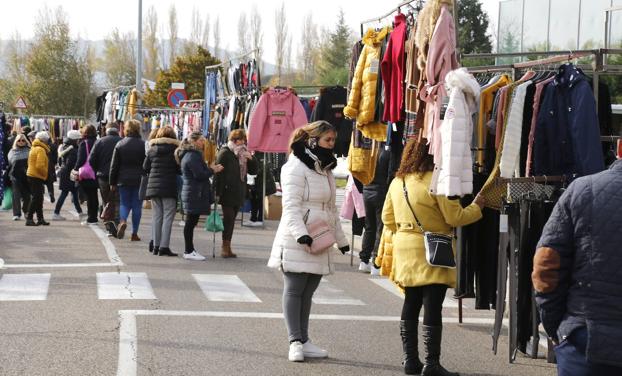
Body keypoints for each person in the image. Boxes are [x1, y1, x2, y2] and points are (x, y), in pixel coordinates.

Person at [381, 140, 484, 376]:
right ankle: (432, 362)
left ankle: (410, 360)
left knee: (411, 301)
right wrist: (478, 207)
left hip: (405, 247)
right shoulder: (438, 182)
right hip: (434, 247)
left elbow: (387, 218)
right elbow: (455, 216)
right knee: (432, 304)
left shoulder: (398, 181)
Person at [268, 121, 350, 362]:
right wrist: (300, 233)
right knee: (294, 288)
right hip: (299, 237)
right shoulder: (295, 166)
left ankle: (304, 339)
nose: (332, 145)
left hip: (321, 235)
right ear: (313, 140)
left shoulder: (325, 169)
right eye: (328, 141)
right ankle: (294, 341)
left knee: (309, 290)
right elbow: (291, 206)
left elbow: (330, 209)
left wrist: (341, 239)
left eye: (333, 141)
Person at [532, 158, 622, 376]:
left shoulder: (582, 189)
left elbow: (546, 265)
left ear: (619, 148)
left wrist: (557, 329)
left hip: (584, 339)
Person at [176, 132, 223, 260]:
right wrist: (213, 170)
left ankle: (190, 249)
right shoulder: (192, 156)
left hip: (193, 191)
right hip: (194, 192)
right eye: (201, 140)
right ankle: (189, 250)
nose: (204, 143)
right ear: (194, 141)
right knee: (190, 222)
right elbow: (199, 174)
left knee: (191, 222)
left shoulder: (191, 155)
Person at [215, 129, 258, 258]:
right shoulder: (225, 152)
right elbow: (219, 174)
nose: (243, 142)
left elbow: (253, 172)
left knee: (232, 220)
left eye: (244, 140)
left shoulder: (244, 153)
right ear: (234, 140)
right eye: (241, 140)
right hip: (227, 191)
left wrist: (252, 159)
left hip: (239, 190)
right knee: (228, 218)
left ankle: (228, 246)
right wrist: (217, 192)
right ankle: (224, 247)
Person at [143, 126, 180, 257]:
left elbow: (145, 167)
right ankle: (164, 247)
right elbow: (179, 170)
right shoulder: (176, 151)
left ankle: (156, 246)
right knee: (168, 217)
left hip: (153, 187)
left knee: (157, 216)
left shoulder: (152, 150)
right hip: (169, 186)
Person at [109, 119, 146, 241]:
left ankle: (123, 221)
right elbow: (146, 164)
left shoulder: (120, 144)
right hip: (138, 179)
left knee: (124, 203)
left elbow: (114, 166)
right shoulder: (143, 144)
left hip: (123, 179)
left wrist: (112, 182)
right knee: (137, 206)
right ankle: (134, 233)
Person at [359, 148, 391, 274]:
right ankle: (375, 262)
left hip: (367, 190)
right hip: (381, 190)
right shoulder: (387, 151)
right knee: (380, 228)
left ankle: (364, 260)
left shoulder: (368, 149)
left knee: (369, 227)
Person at [89, 123, 122, 235]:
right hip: (118, 177)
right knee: (117, 200)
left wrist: (97, 169)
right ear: (117, 130)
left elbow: (91, 159)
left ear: (106, 130)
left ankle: (108, 225)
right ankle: (117, 223)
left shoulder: (100, 142)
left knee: (105, 200)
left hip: (102, 176)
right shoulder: (121, 141)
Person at [52, 130, 83, 220]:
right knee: (66, 193)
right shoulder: (73, 150)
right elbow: (71, 163)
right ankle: (56, 213)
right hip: (69, 173)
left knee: (73, 193)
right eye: (78, 139)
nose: (79, 141)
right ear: (74, 139)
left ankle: (80, 213)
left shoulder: (64, 146)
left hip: (65, 172)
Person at [74, 124, 99, 225]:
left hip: (87, 173)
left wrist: (75, 169)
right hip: (96, 172)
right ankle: (94, 217)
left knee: (89, 195)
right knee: (94, 195)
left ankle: (91, 218)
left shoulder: (84, 143)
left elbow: (81, 159)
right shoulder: (98, 142)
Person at [25, 131, 52, 226]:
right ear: (44, 140)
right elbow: (40, 165)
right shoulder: (40, 149)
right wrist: (45, 174)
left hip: (32, 175)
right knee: (37, 198)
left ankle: (40, 218)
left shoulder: (34, 147)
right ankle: (29, 218)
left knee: (39, 198)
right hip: (36, 176)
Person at [7, 133, 31, 221]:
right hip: (15, 176)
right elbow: (10, 162)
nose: (21, 142)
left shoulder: (29, 150)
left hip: (27, 176)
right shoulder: (12, 151)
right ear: (16, 141)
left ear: (26, 141)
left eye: (23, 140)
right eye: (19, 140)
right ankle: (16, 214)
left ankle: (26, 211)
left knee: (27, 196)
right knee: (16, 195)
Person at [45, 137, 58, 203]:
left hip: (43, 164)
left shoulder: (41, 145)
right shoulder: (53, 146)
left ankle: (41, 195)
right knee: (50, 182)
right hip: (51, 164)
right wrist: (54, 163)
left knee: (40, 182)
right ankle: (51, 193)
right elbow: (56, 157)